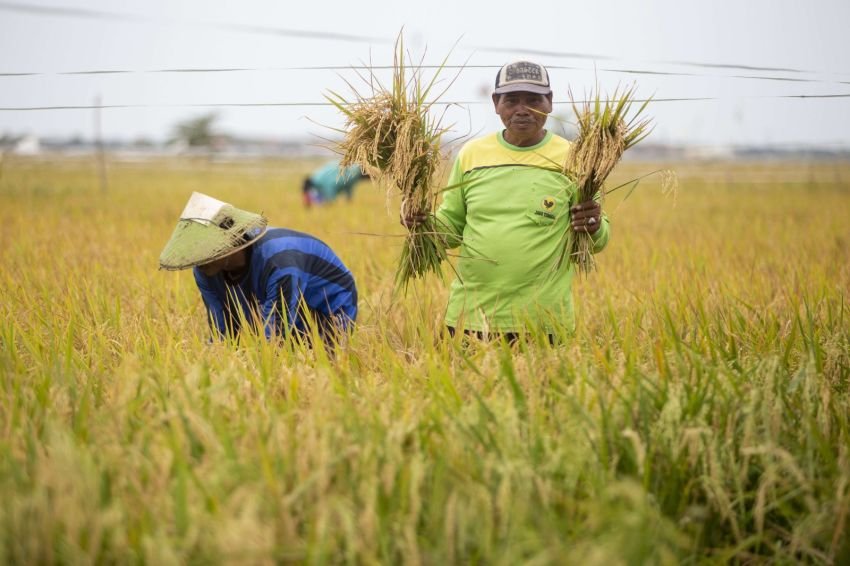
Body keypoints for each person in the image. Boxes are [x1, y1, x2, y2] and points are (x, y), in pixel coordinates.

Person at [404, 60, 610, 343]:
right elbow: (450, 229)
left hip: (544, 321)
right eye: (511, 100)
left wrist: (593, 224)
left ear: (549, 102)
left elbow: (597, 240)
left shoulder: (575, 159)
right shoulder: (472, 155)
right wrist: (421, 220)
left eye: (534, 100)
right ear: (496, 103)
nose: (522, 110)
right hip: (469, 317)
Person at [159, 192, 357, 345]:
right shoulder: (204, 270)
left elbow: (275, 333)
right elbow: (222, 329)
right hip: (272, 302)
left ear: (231, 242)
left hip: (326, 308)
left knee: (306, 355)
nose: (199, 262)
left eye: (205, 250)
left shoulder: (278, 260)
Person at [302, 160, 368, 208]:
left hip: (343, 170)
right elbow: (335, 187)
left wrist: (329, 203)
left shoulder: (317, 178)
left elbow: (334, 189)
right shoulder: (354, 173)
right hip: (345, 170)